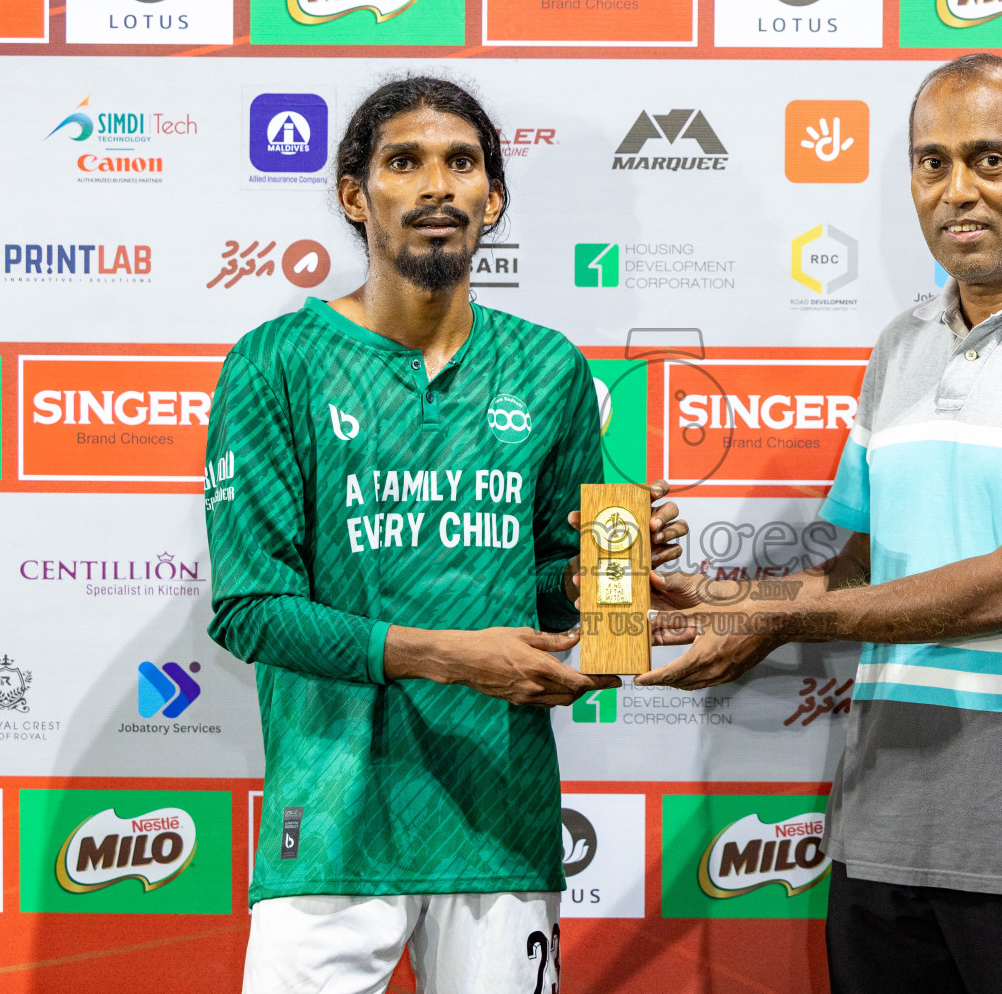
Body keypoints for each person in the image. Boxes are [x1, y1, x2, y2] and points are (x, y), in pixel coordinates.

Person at [640, 53, 1002, 993]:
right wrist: (725, 601)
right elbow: (857, 574)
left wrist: (783, 620)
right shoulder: (900, 344)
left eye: (990, 159)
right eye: (931, 163)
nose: (957, 191)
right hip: (881, 836)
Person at [204, 75, 688, 994]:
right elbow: (251, 610)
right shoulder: (274, 362)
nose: (436, 186)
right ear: (355, 195)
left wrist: (605, 581)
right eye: (404, 162)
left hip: (496, 819)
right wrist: (454, 657)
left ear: (492, 198)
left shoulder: (549, 367)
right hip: (332, 825)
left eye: (461, 163)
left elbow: (543, 581)